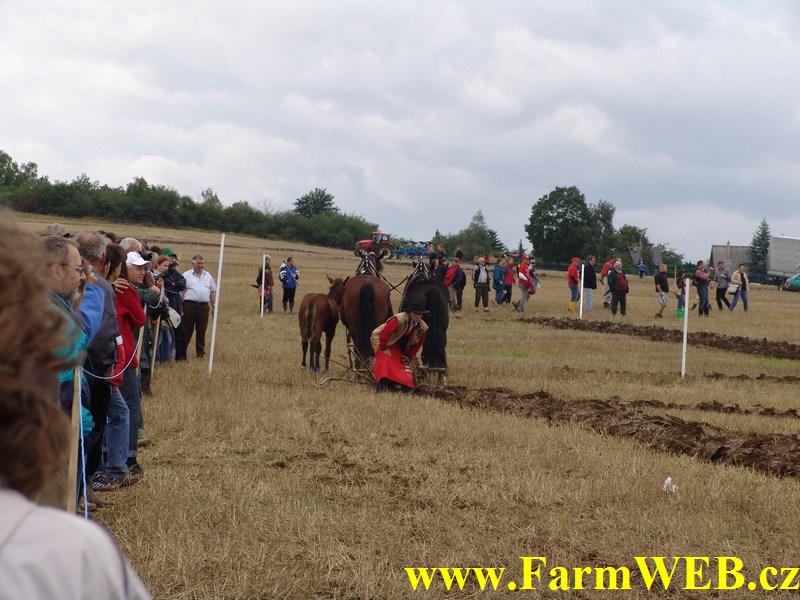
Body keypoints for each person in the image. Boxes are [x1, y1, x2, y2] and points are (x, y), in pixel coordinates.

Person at [0, 219, 151, 600]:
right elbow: (76, 344)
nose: (83, 275)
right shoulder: (74, 553)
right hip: (61, 411)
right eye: (77, 269)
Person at [370, 301, 429, 393]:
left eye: (420, 314)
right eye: (415, 313)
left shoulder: (423, 328)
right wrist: (383, 349)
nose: (418, 316)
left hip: (397, 345)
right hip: (382, 341)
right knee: (384, 359)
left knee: (402, 363)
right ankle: (382, 384)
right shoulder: (398, 319)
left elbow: (418, 345)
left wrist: (409, 356)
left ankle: (407, 387)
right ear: (410, 313)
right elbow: (384, 334)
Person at [179, 254, 217, 358]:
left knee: (201, 331)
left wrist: (214, 305)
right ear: (193, 263)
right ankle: (182, 354)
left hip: (203, 307)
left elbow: (212, 291)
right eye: (198, 263)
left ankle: (200, 354)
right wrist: (181, 305)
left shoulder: (208, 276)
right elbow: (181, 291)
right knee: (187, 330)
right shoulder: (186, 275)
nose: (201, 265)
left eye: (202, 263)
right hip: (189, 306)